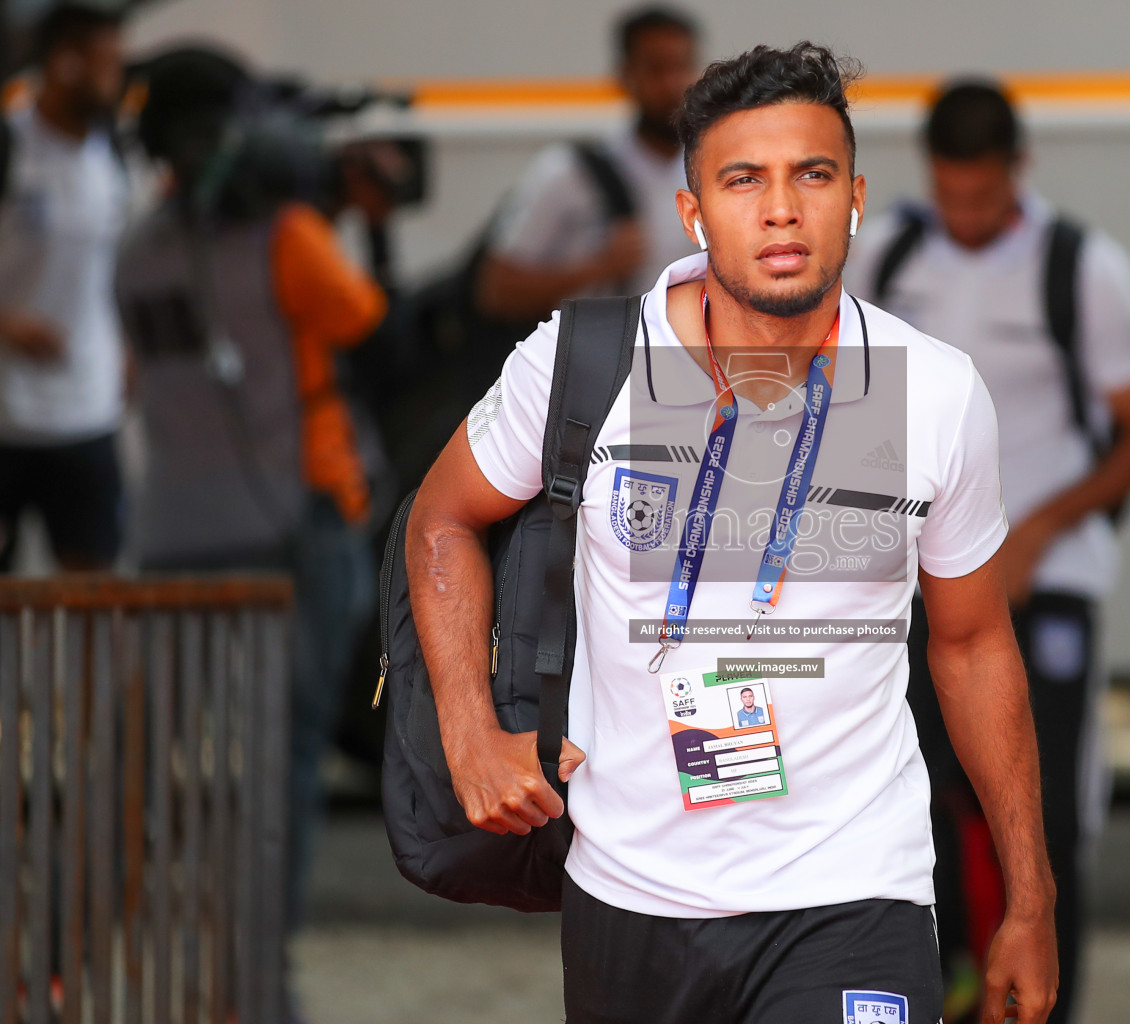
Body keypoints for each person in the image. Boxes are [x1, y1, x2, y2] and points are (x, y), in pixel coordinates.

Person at [409, 42, 1058, 1024]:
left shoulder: (931, 389)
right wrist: (470, 733)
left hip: (853, 889)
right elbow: (441, 519)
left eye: (813, 174)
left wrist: (1030, 890)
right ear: (694, 210)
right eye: (743, 179)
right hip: (630, 892)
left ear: (855, 197)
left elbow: (971, 642)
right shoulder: (592, 363)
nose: (782, 208)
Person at [845, 81, 1130, 1024]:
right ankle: (953, 984)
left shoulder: (1081, 267)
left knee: (1042, 813)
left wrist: (1036, 528)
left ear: (1019, 171)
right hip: (918, 579)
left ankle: (1044, 1003)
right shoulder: (891, 255)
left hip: (1044, 581)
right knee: (917, 795)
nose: (967, 216)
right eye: (951, 196)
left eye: (984, 198)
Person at [114, 46, 386, 1024]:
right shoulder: (289, 237)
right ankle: (257, 984)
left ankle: (92, 962)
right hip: (291, 531)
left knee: (157, 761)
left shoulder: (136, 248)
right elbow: (360, 316)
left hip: (175, 533)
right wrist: (342, 210)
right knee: (283, 761)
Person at [0, 4, 128, 572]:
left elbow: (113, 267)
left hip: (87, 413)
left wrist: (128, 352)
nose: (118, 83)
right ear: (66, 64)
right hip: (6, 414)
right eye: (108, 68)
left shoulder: (115, 156)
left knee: (92, 602)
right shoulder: (11, 147)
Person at [474, 5, 700, 322]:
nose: (671, 84)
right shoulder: (568, 171)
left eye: (682, 67)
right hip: (596, 363)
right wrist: (599, 267)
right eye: (656, 69)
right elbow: (496, 290)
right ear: (624, 75)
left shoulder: (714, 169)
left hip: (691, 363)